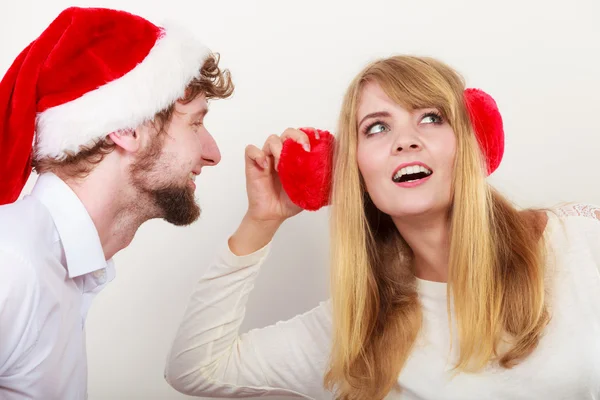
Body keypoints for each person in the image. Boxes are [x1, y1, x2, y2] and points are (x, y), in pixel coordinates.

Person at [164, 55, 600, 400]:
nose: (406, 140)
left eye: (431, 117)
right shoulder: (355, 327)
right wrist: (261, 220)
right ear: (349, 172)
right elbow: (199, 368)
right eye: (377, 127)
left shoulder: (580, 243)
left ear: (473, 140)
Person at [0, 6, 233, 399]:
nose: (212, 153)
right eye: (195, 122)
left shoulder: (57, 268)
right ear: (125, 129)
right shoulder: (13, 264)